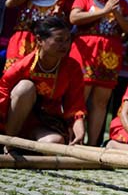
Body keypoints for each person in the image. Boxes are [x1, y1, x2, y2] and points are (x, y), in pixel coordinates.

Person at [68, 0, 128, 145]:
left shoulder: (121, 4)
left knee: (101, 101)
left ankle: (93, 144)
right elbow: (74, 18)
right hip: (85, 54)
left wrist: (116, 13)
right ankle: (73, 142)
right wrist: (104, 11)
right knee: (79, 97)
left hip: (109, 56)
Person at [0, 17, 85, 146]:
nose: (65, 45)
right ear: (39, 40)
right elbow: (3, 93)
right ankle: (9, 145)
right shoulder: (22, 66)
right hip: (12, 122)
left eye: (68, 40)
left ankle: (24, 147)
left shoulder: (72, 68)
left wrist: (79, 133)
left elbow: (75, 105)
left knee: (55, 142)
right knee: (25, 87)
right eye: (59, 40)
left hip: (45, 121)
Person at [4, 0, 75, 71]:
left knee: (43, 83)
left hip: (49, 48)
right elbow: (9, 3)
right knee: (14, 79)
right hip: (22, 43)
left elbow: (73, 21)